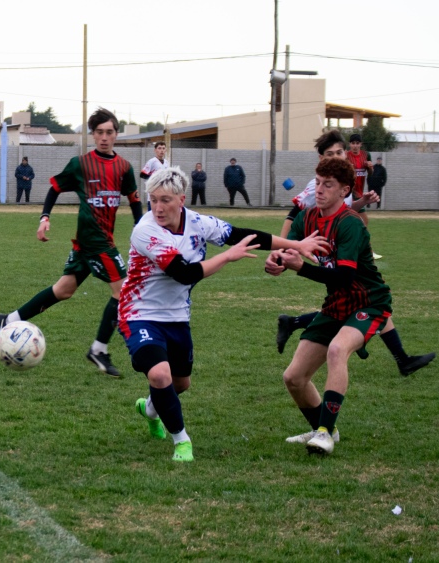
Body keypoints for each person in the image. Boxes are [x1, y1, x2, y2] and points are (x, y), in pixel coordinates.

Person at [121, 166, 329, 461]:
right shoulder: (146, 231)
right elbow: (183, 273)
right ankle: (182, 442)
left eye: (165, 200)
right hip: (138, 314)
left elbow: (243, 234)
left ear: (182, 199)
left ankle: (152, 409)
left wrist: (295, 244)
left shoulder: (197, 222)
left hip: (177, 317)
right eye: (152, 200)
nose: (157, 207)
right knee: (159, 373)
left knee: (180, 384)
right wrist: (227, 257)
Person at [0, 108, 143, 377]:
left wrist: (140, 230)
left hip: (95, 242)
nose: (104, 137)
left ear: (116, 134)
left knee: (63, 290)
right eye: (99, 132)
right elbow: (55, 188)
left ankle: (10, 319)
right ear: (93, 135)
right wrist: (44, 217)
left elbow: (134, 200)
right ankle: (98, 349)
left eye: (109, 132)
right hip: (95, 241)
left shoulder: (123, 167)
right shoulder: (81, 164)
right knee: (123, 292)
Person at [265, 157, 398, 455]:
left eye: (329, 185)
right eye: (318, 183)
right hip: (336, 304)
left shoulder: (350, 223)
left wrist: (299, 267)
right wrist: (275, 262)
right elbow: (287, 250)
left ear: (344, 191)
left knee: (338, 350)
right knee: (294, 378)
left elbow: (344, 276)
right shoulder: (307, 217)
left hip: (369, 302)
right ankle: (324, 430)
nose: (320, 190)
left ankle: (324, 432)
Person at [276, 131, 434, 377]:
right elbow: (293, 215)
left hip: (341, 250)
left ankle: (401, 358)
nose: (338, 157)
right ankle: (399, 358)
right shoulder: (318, 185)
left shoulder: (341, 184)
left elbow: (343, 210)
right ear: (320, 159)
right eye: (331, 154)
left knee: (367, 299)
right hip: (326, 249)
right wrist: (283, 248)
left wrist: (361, 203)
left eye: (340, 152)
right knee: (361, 300)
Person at [346, 134, 380, 258]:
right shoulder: (345, 155)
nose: (355, 145)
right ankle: (368, 252)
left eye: (357, 143)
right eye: (353, 143)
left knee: (356, 222)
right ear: (349, 144)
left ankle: (359, 249)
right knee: (363, 221)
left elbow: (370, 174)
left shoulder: (366, 155)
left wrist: (370, 168)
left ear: (361, 144)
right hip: (349, 193)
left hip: (360, 193)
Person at [140, 141, 170, 211]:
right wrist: (154, 180)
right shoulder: (152, 161)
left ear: (165, 150)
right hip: (153, 193)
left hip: (163, 193)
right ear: (155, 150)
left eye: (163, 148)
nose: (161, 150)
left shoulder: (166, 162)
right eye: (159, 148)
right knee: (152, 216)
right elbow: (142, 174)